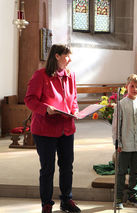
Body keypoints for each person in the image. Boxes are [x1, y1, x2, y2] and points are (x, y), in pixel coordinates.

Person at [25, 44, 81, 213]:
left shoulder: (71, 76)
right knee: (48, 169)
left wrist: (76, 111)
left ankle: (66, 200)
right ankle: (46, 204)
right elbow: (30, 99)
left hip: (66, 129)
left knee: (67, 166)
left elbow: (74, 100)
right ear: (57, 56)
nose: (70, 59)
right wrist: (45, 109)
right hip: (45, 130)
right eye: (67, 56)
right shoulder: (40, 75)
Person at [112, 74, 137, 210]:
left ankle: (132, 196)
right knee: (121, 171)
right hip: (125, 145)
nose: (135, 89)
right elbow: (116, 126)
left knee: (136, 171)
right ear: (126, 87)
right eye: (132, 86)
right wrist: (118, 143)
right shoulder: (121, 105)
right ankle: (118, 197)